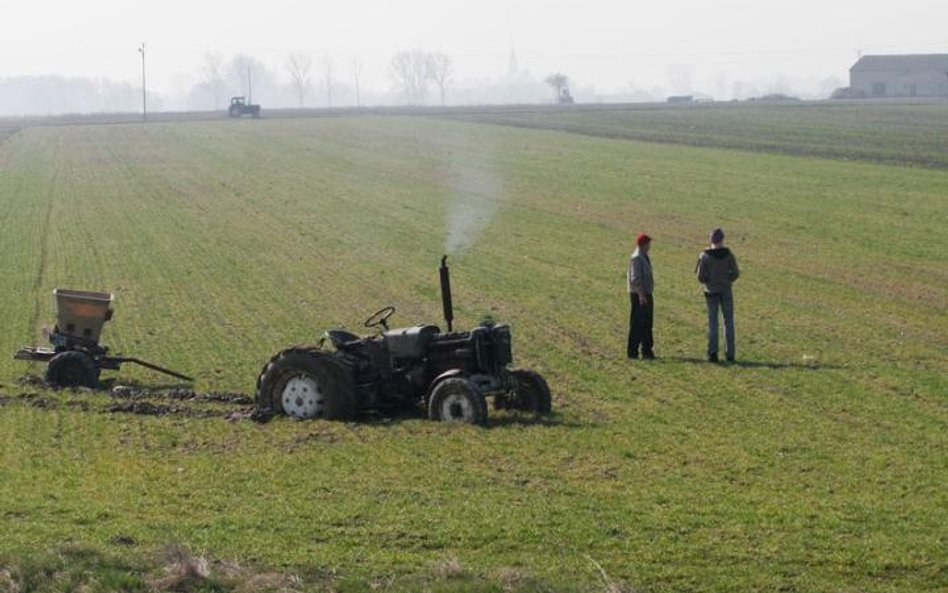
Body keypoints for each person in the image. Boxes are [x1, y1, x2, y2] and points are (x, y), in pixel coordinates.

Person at [696, 228, 740, 362]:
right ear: (722, 240)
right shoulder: (728, 254)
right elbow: (736, 273)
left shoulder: (705, 256)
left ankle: (713, 353)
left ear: (711, 240)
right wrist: (728, 280)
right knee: (728, 322)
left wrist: (708, 281)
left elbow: (700, 277)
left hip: (711, 292)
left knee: (713, 322)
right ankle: (730, 353)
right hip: (726, 290)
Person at [627, 233, 655, 360]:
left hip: (645, 294)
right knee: (638, 324)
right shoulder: (637, 258)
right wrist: (641, 295)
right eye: (648, 244)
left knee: (647, 323)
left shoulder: (643, 256)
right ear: (643, 245)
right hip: (640, 295)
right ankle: (633, 351)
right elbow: (635, 279)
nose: (650, 246)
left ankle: (646, 350)